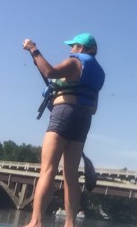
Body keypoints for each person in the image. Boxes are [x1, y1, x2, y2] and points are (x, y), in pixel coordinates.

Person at [22, 33, 106, 227]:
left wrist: (33, 49)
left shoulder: (76, 62)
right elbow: (93, 107)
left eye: (73, 46)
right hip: (83, 119)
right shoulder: (98, 73)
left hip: (64, 114)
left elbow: (49, 72)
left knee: (48, 169)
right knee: (71, 175)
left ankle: (36, 222)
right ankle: (70, 224)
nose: (71, 50)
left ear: (81, 48)